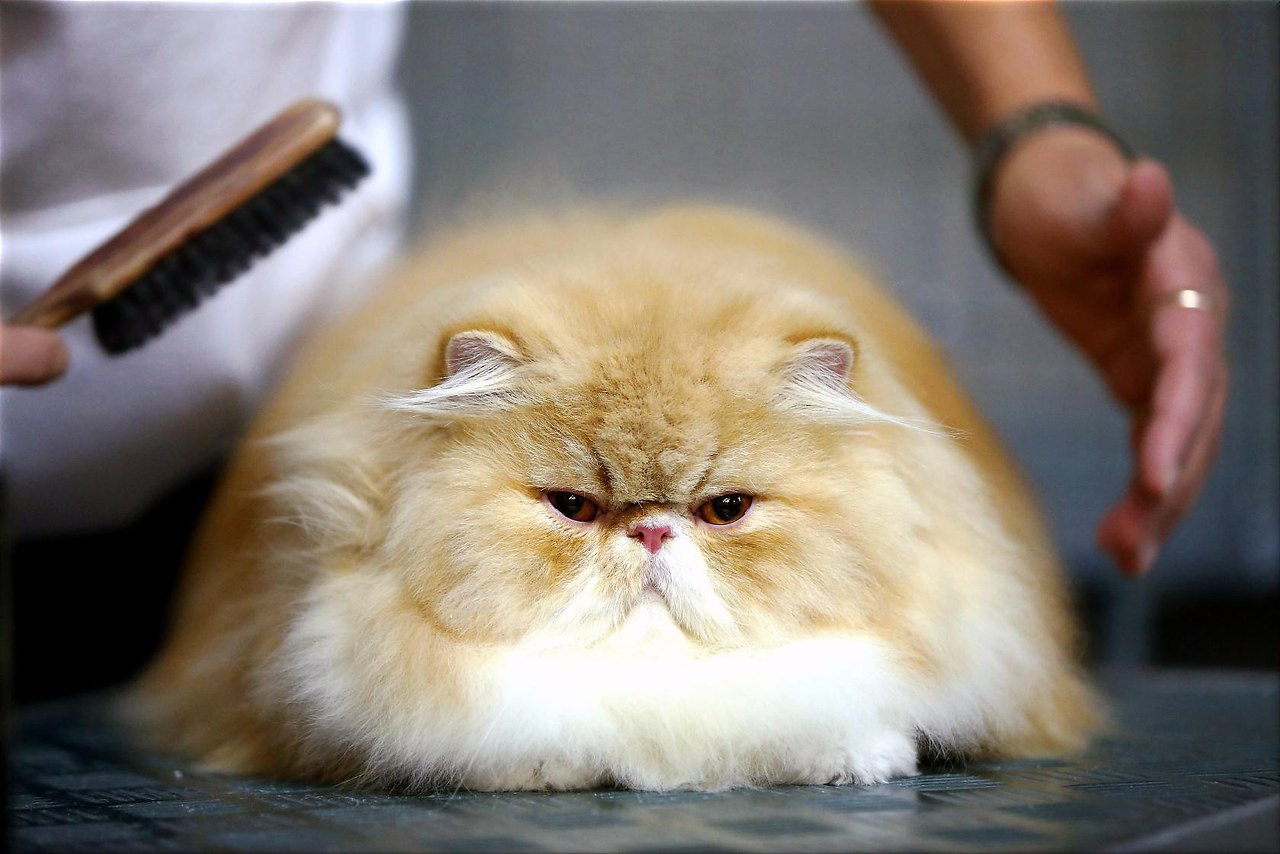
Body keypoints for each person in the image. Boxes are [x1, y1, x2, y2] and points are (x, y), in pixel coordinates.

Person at [2, 2, 1227, 583]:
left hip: (236, 428)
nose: (651, 539)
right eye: (584, 505)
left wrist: (1032, 132)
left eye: (722, 505)